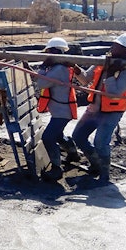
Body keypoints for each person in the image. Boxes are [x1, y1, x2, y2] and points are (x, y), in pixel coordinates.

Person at [72, 33, 126, 184]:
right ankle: (95, 164)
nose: (113, 46)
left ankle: (104, 174)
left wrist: (110, 73)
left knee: (101, 142)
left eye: (117, 45)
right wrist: (76, 69)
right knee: (78, 136)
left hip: (112, 112)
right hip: (94, 108)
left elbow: (114, 94)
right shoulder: (103, 61)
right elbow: (85, 79)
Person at [36, 37, 78, 182]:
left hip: (62, 112)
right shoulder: (59, 68)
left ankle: (56, 169)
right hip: (62, 110)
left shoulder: (59, 69)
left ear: (53, 52)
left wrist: (42, 67)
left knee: (48, 137)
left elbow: (42, 83)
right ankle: (73, 153)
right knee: (58, 135)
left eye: (48, 53)